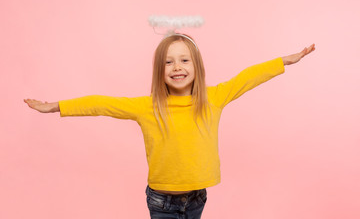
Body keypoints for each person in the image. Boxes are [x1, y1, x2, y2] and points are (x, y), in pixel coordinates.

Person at [24, 34, 315, 218]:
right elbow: (102, 103)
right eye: (169, 62)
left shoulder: (213, 98)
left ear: (196, 66)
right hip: (162, 200)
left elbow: (246, 78)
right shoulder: (149, 106)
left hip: (198, 196)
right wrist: (57, 106)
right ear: (159, 72)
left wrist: (284, 61)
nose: (177, 67)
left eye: (185, 60)